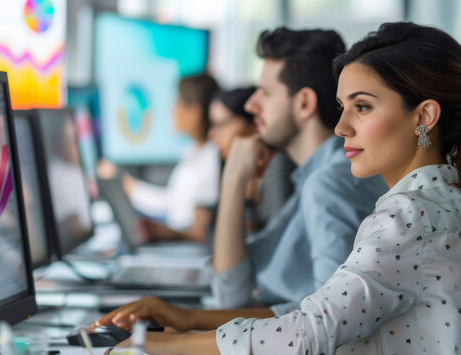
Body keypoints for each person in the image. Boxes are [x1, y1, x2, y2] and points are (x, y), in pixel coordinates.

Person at [97, 22, 461, 355]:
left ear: (423, 116)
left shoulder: (409, 217)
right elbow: (324, 308)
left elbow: (309, 333)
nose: (342, 126)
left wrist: (167, 345)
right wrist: (190, 324)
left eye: (362, 107)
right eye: (343, 107)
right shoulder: (442, 203)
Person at [95, 26, 387, 329]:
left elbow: (331, 322)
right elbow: (234, 285)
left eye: (265, 93)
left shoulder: (327, 183)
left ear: (303, 103)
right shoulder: (314, 176)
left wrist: (233, 180)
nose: (251, 105)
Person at [98, 73, 221, 244]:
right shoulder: (194, 151)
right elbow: (175, 202)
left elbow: (194, 227)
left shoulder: (210, 160)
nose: (171, 110)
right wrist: (129, 186)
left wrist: (128, 186)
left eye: (177, 103)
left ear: (194, 113)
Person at [208, 86, 296, 233]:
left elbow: (275, 239)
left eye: (221, 124)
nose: (212, 134)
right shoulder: (227, 164)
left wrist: (243, 197)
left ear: (254, 124)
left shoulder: (277, 163)